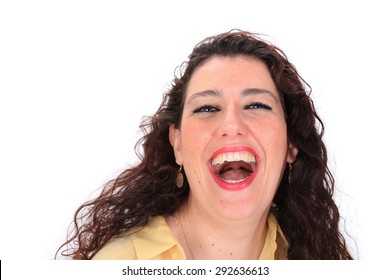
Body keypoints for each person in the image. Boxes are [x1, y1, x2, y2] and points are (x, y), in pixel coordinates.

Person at [56, 30, 353, 260]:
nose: (232, 126)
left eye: (257, 105)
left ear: (291, 144)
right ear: (178, 143)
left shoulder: (323, 257)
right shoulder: (117, 264)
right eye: (207, 108)